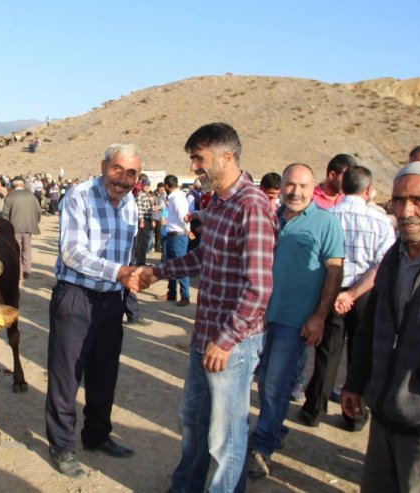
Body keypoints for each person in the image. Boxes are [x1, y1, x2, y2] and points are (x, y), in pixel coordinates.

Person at [135, 123, 276, 491]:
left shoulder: (252, 207)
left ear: (227, 157)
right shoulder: (220, 203)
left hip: (232, 342)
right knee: (193, 420)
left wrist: (226, 340)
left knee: (225, 436)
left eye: (200, 158)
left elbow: (259, 288)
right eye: (194, 159)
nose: (195, 166)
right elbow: (202, 261)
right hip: (205, 334)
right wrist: (156, 271)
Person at [341, 162, 420, 492]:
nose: (406, 210)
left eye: (419, 200)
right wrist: (355, 382)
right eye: (399, 200)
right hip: (383, 416)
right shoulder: (392, 258)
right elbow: (369, 328)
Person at [45, 143, 143, 478]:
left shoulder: (131, 205)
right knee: (66, 375)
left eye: (131, 173)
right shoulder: (79, 196)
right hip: (76, 297)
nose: (123, 179)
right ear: (104, 166)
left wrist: (127, 281)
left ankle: (97, 435)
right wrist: (118, 273)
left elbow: (127, 254)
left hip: (111, 301)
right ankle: (62, 445)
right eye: (117, 169)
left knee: (105, 374)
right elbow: (71, 252)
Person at [248, 163, 345, 480]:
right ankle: (274, 429)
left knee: (276, 384)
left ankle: (262, 447)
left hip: (295, 321)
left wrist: (319, 316)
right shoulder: (270, 219)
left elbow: (334, 271)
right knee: (263, 379)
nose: (295, 191)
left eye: (303, 186)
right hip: (261, 317)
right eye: (290, 184)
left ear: (312, 187)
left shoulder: (325, 222)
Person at [299, 166, 395, 429]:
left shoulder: (326, 217)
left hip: (331, 289)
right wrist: (353, 294)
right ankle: (355, 415)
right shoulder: (381, 222)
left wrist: (340, 294)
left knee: (327, 352)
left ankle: (313, 409)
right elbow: (382, 265)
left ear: (342, 188)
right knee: (360, 354)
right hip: (364, 294)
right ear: (368, 190)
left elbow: (315, 259)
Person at [156, 175, 190, 307]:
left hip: (178, 236)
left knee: (181, 266)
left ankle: (185, 296)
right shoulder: (175, 197)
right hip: (172, 235)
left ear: (166, 186)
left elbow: (184, 217)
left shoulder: (178, 198)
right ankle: (172, 293)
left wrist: (188, 230)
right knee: (171, 266)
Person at [2, 176, 41, 280]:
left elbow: (5, 215)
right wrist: (35, 222)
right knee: (27, 250)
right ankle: (26, 272)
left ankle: (18, 273)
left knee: (16, 251)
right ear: (23, 184)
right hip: (28, 227)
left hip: (14, 228)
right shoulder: (31, 196)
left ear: (13, 185)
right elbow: (38, 211)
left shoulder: (10, 197)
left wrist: (6, 228)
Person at [134, 178, 153, 265]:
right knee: (141, 242)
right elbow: (139, 209)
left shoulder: (147, 195)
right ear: (142, 186)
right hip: (143, 221)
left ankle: (142, 261)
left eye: (148, 185)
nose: (147, 187)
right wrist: (141, 220)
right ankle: (140, 262)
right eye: (145, 185)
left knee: (144, 241)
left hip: (148, 220)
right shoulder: (140, 196)